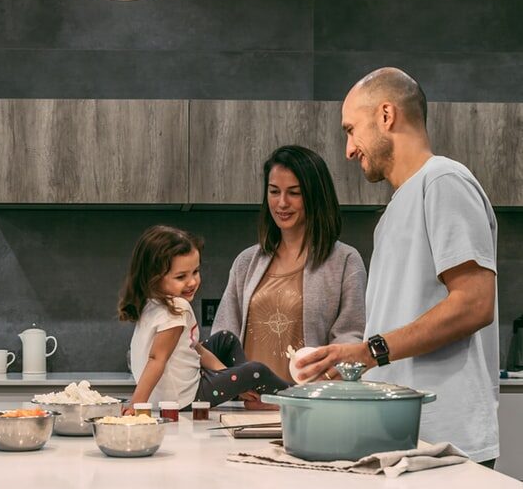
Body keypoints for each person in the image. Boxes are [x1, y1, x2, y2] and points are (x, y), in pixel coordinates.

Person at [296, 67, 499, 465]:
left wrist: (370, 352)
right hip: (402, 437)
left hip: (444, 442)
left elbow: (475, 304)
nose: (349, 150)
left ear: (386, 116)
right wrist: (351, 364)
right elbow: (395, 333)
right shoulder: (393, 212)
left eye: (351, 130)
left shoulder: (443, 181)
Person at [211, 145, 366, 406]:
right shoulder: (246, 262)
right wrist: (230, 383)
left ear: (316, 197)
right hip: (245, 410)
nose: (282, 203)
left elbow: (350, 340)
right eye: (274, 192)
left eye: (294, 193)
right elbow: (223, 336)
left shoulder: (345, 261)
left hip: (309, 410)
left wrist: (324, 379)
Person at [118, 225, 290, 412]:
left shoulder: (150, 303)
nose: (192, 282)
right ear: (153, 277)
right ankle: (295, 397)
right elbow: (156, 359)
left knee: (226, 339)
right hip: (185, 398)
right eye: (181, 276)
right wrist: (136, 404)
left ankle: (249, 392)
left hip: (171, 393)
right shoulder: (177, 307)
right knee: (256, 370)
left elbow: (196, 349)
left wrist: (231, 379)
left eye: (195, 272)